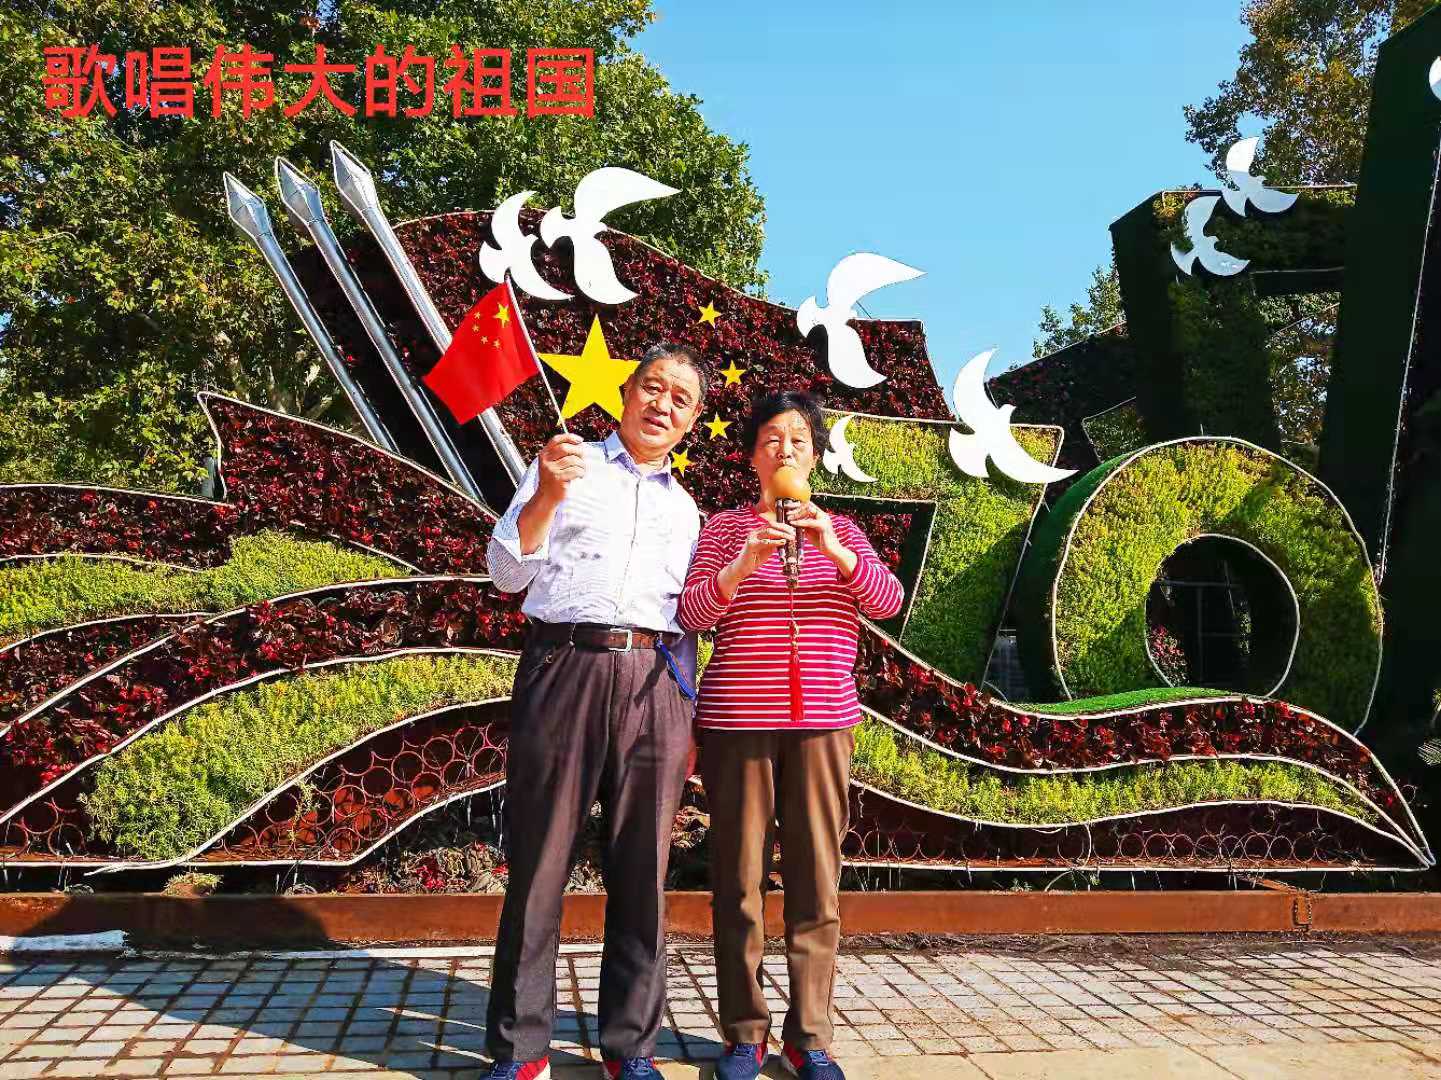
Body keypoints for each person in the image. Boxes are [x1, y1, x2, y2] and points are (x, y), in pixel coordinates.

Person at [482, 342, 709, 1080]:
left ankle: (631, 1048)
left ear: (691, 422)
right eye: (652, 388)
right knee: (539, 863)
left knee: (642, 869)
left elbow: (694, 613)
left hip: (655, 683)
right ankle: (521, 1051)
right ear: (626, 393)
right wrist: (546, 493)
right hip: (565, 668)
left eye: (680, 399)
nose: (662, 405)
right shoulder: (566, 465)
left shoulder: (686, 510)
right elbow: (504, 574)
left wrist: (688, 704)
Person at [678, 390, 904, 1080]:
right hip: (738, 724)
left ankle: (809, 1036)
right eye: (771, 439)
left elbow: (888, 602)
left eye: (799, 440)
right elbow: (691, 614)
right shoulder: (723, 528)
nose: (785, 450)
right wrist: (743, 563)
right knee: (739, 880)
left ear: (815, 456)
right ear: (752, 457)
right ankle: (744, 1033)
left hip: (823, 725)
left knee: (815, 881)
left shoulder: (843, 530)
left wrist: (833, 548)